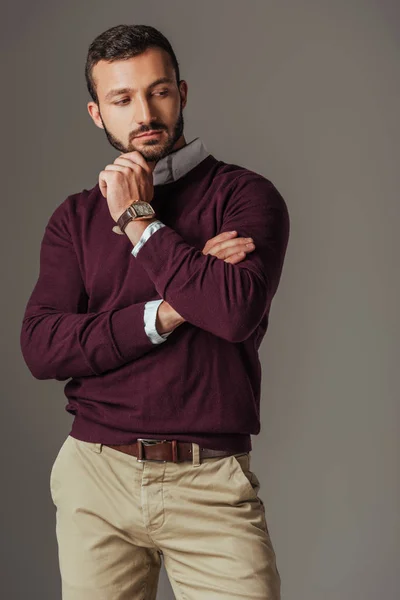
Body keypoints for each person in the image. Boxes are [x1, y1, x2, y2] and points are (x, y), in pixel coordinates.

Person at [20, 23, 290, 600]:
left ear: (182, 93)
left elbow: (234, 310)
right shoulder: (74, 219)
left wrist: (140, 222)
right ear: (98, 113)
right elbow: (42, 346)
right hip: (96, 475)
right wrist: (169, 311)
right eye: (122, 98)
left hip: (210, 479)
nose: (144, 111)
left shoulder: (244, 196)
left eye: (158, 91)